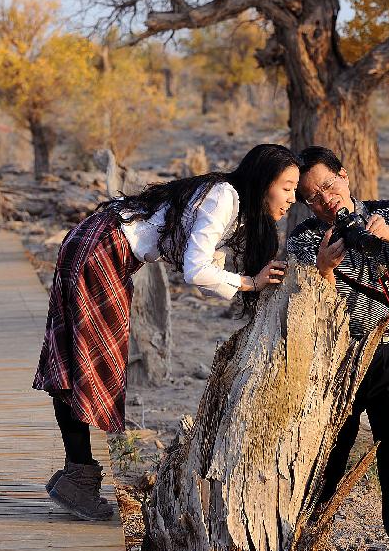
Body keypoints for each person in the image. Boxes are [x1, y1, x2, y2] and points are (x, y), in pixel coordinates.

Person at [33, 143, 299, 521]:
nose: (291, 198)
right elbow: (196, 270)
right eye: (287, 187)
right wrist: (249, 283)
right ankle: (78, 475)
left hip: (98, 243)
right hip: (102, 250)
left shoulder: (232, 203)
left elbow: (205, 262)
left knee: (78, 359)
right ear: (263, 180)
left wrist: (244, 281)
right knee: (86, 362)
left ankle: (76, 471)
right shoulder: (225, 197)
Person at [286, 147, 389, 551]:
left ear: (345, 177)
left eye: (329, 187)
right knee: (323, 461)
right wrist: (325, 267)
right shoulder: (306, 238)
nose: (326, 200)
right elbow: (311, 301)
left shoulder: (386, 212)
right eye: (313, 197)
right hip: (337, 361)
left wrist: (385, 232)